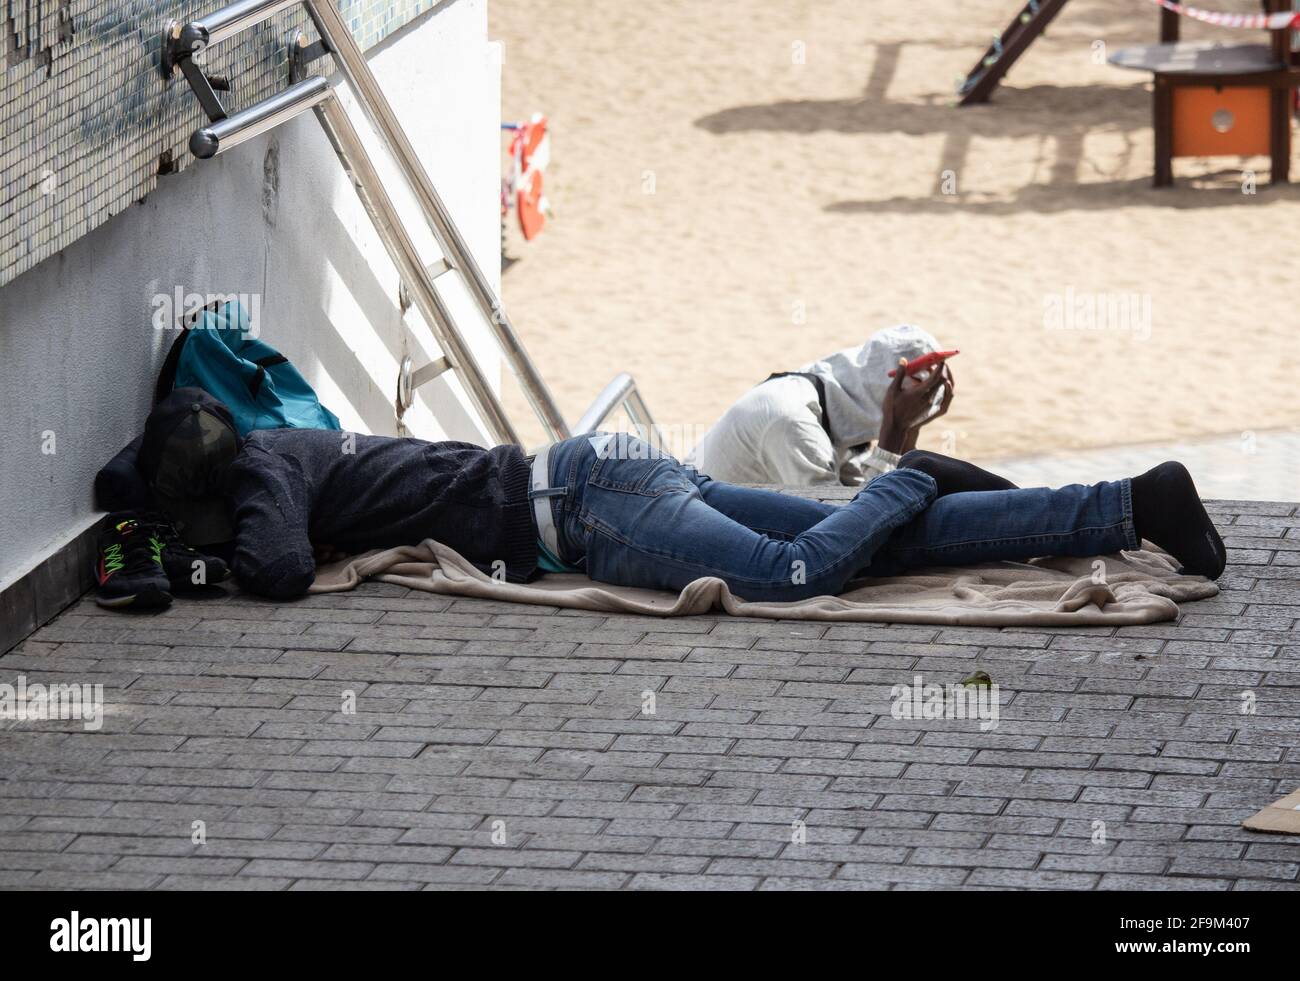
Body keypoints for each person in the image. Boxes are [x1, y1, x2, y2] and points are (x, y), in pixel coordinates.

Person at [105, 388, 1226, 607]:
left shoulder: (261, 476)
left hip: (586, 512)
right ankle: (1131, 503)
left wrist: (182, 560)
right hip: (608, 472)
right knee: (893, 552)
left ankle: (911, 469)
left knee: (798, 577)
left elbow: (283, 571)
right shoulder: (288, 438)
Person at [687, 324, 978, 488]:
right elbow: (852, 527)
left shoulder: (827, 401)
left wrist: (907, 428)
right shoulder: (794, 423)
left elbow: (860, 493)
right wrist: (895, 429)